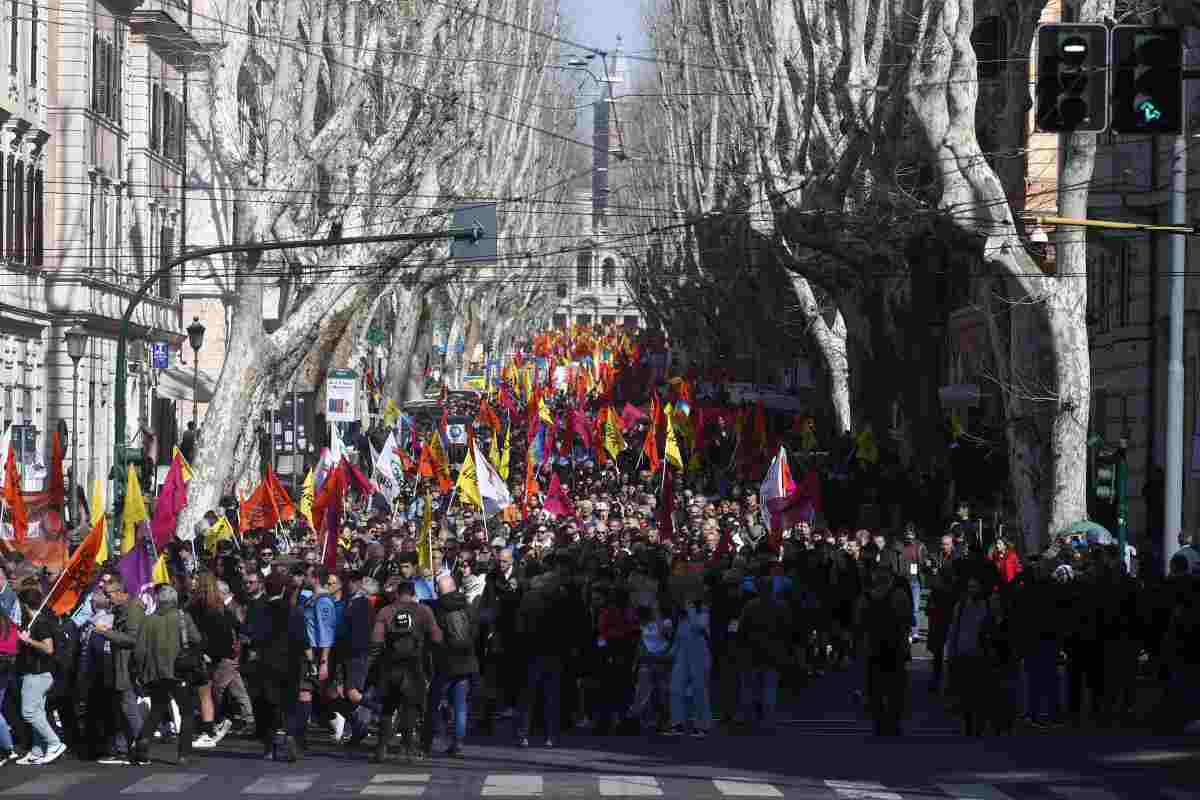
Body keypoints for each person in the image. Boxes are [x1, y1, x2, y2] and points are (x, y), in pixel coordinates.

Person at [131, 584, 204, 766]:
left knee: (156, 709)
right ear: (174, 600)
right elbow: (197, 639)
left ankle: (144, 740)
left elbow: (139, 651)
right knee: (186, 712)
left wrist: (140, 672)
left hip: (154, 673)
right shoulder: (182, 617)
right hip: (179, 672)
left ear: (158, 600)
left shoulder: (147, 621)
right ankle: (183, 754)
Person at [370, 580, 441, 763]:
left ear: (397, 593)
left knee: (388, 707)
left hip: (391, 665)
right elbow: (436, 637)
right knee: (411, 707)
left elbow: (376, 641)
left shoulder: (386, 611)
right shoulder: (423, 611)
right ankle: (407, 749)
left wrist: (377, 662)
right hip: (413, 665)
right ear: (413, 593)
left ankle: (381, 748)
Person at [425, 573, 479, 757]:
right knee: (461, 705)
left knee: (434, 702)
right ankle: (458, 744)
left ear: (440, 590)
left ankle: (428, 740)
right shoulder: (467, 605)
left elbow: (435, 634)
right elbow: (475, 630)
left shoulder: (438, 607)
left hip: (446, 662)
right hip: (466, 660)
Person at [858, 565, 913, 736]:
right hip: (894, 646)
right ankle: (893, 722)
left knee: (875, 687)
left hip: (873, 646)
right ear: (891, 578)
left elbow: (858, 623)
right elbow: (908, 621)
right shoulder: (899, 595)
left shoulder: (865, 597)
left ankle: (879, 721)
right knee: (895, 687)